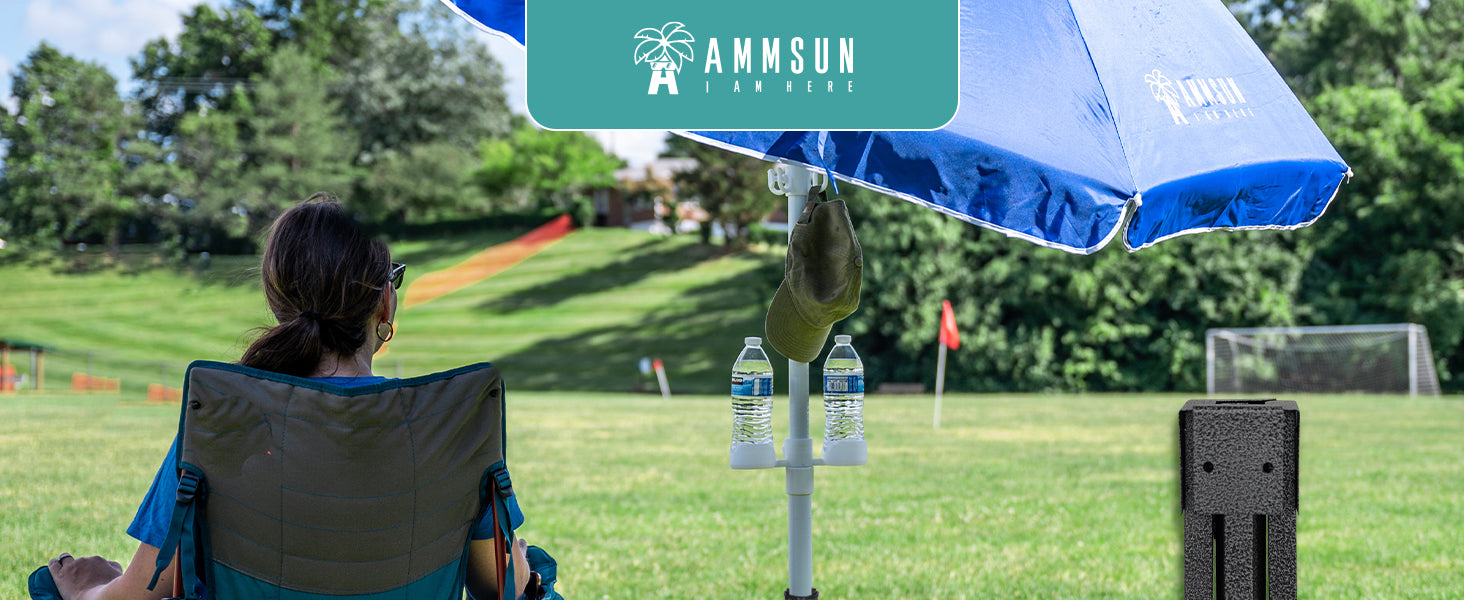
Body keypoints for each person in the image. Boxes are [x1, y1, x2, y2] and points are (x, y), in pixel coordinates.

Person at [45, 195, 531, 600]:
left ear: (276, 301)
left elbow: (142, 594)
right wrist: (523, 562)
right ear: (385, 300)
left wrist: (85, 586)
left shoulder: (222, 422)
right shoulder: (447, 428)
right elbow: (502, 588)